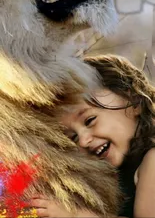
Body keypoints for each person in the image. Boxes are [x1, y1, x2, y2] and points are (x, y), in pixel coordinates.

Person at [30, 54, 155, 218]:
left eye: (90, 120)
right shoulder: (112, 176)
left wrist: (75, 215)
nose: (83, 140)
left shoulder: (152, 159)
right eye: (73, 137)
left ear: (133, 100)